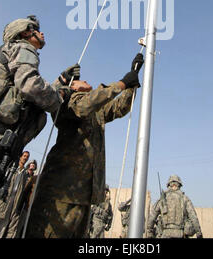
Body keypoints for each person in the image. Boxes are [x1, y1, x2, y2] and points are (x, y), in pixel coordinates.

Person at [0, 14, 79, 230]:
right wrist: (60, 97)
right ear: (25, 33)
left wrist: (61, 81)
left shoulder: (6, 51)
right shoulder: (24, 49)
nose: (42, 33)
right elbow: (30, 87)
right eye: (36, 29)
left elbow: (23, 92)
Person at [25, 53, 144, 238]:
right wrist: (121, 84)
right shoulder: (66, 103)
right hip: (61, 191)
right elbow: (88, 104)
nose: (87, 80)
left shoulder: (96, 111)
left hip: (83, 194)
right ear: (71, 87)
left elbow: (120, 107)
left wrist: (133, 78)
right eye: (80, 81)